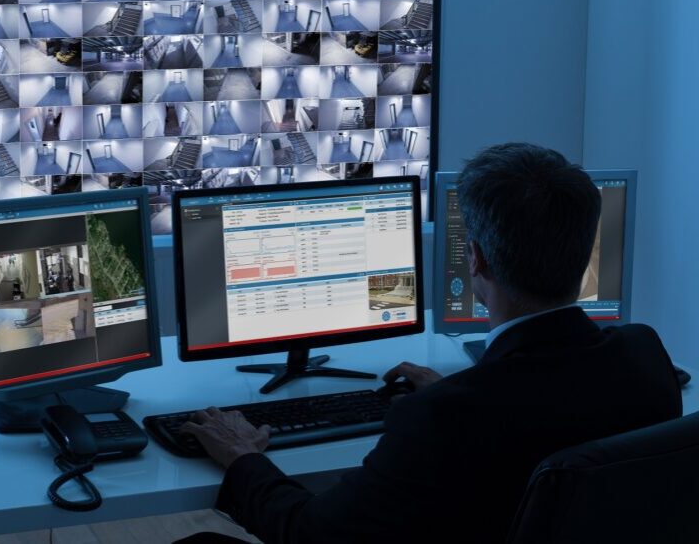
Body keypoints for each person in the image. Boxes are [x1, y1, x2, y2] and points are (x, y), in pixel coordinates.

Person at [180, 143, 682, 544]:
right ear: (584, 251)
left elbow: (311, 532)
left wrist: (244, 457)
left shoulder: (444, 418)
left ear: (476, 261)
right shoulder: (644, 356)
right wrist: (458, 392)